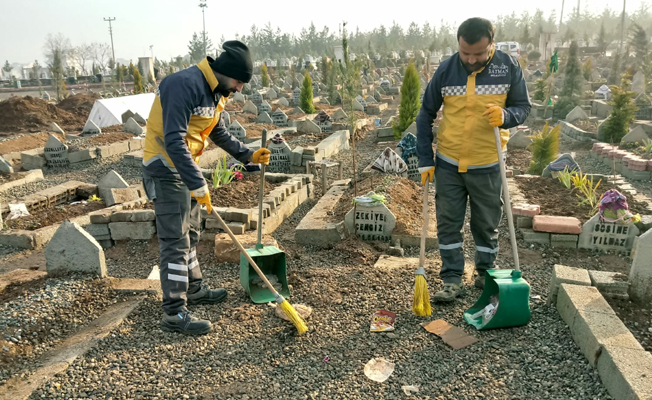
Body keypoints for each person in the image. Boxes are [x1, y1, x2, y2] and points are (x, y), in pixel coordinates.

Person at [142, 40, 271, 334]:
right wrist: (197, 182)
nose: (239, 89)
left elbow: (216, 131)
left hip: (185, 168)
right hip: (165, 168)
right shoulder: (182, 85)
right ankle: (174, 313)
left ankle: (194, 288)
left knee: (192, 232)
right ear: (227, 72)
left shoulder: (217, 91)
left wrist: (247, 155)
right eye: (239, 82)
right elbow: (173, 139)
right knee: (175, 241)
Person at [416, 18, 531, 302]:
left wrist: (506, 117)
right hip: (449, 162)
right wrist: (425, 159)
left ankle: (485, 272)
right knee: (448, 221)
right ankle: (452, 278)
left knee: (486, 222)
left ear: (491, 43)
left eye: (478, 54)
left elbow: (523, 107)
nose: (470, 59)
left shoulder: (508, 67)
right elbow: (425, 114)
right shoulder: (446, 69)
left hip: (488, 161)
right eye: (465, 53)